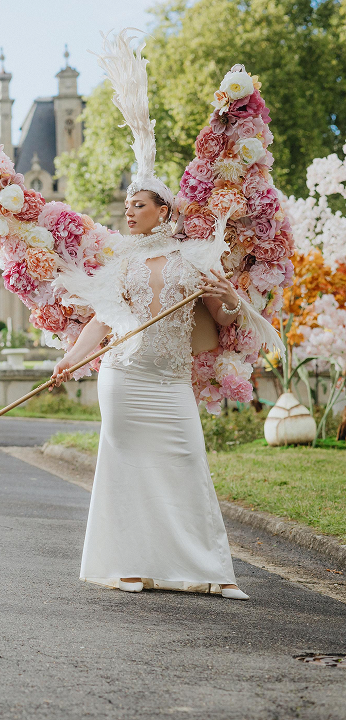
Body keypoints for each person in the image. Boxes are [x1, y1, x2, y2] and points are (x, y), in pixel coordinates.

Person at [52, 190, 249, 600]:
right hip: (125, 376)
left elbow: (222, 317)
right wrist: (70, 360)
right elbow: (101, 323)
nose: (130, 212)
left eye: (138, 205)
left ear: (163, 211)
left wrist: (232, 302)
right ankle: (127, 566)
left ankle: (214, 572)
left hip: (171, 380)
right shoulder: (121, 262)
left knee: (189, 459)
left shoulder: (193, 260)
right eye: (127, 207)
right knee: (126, 467)